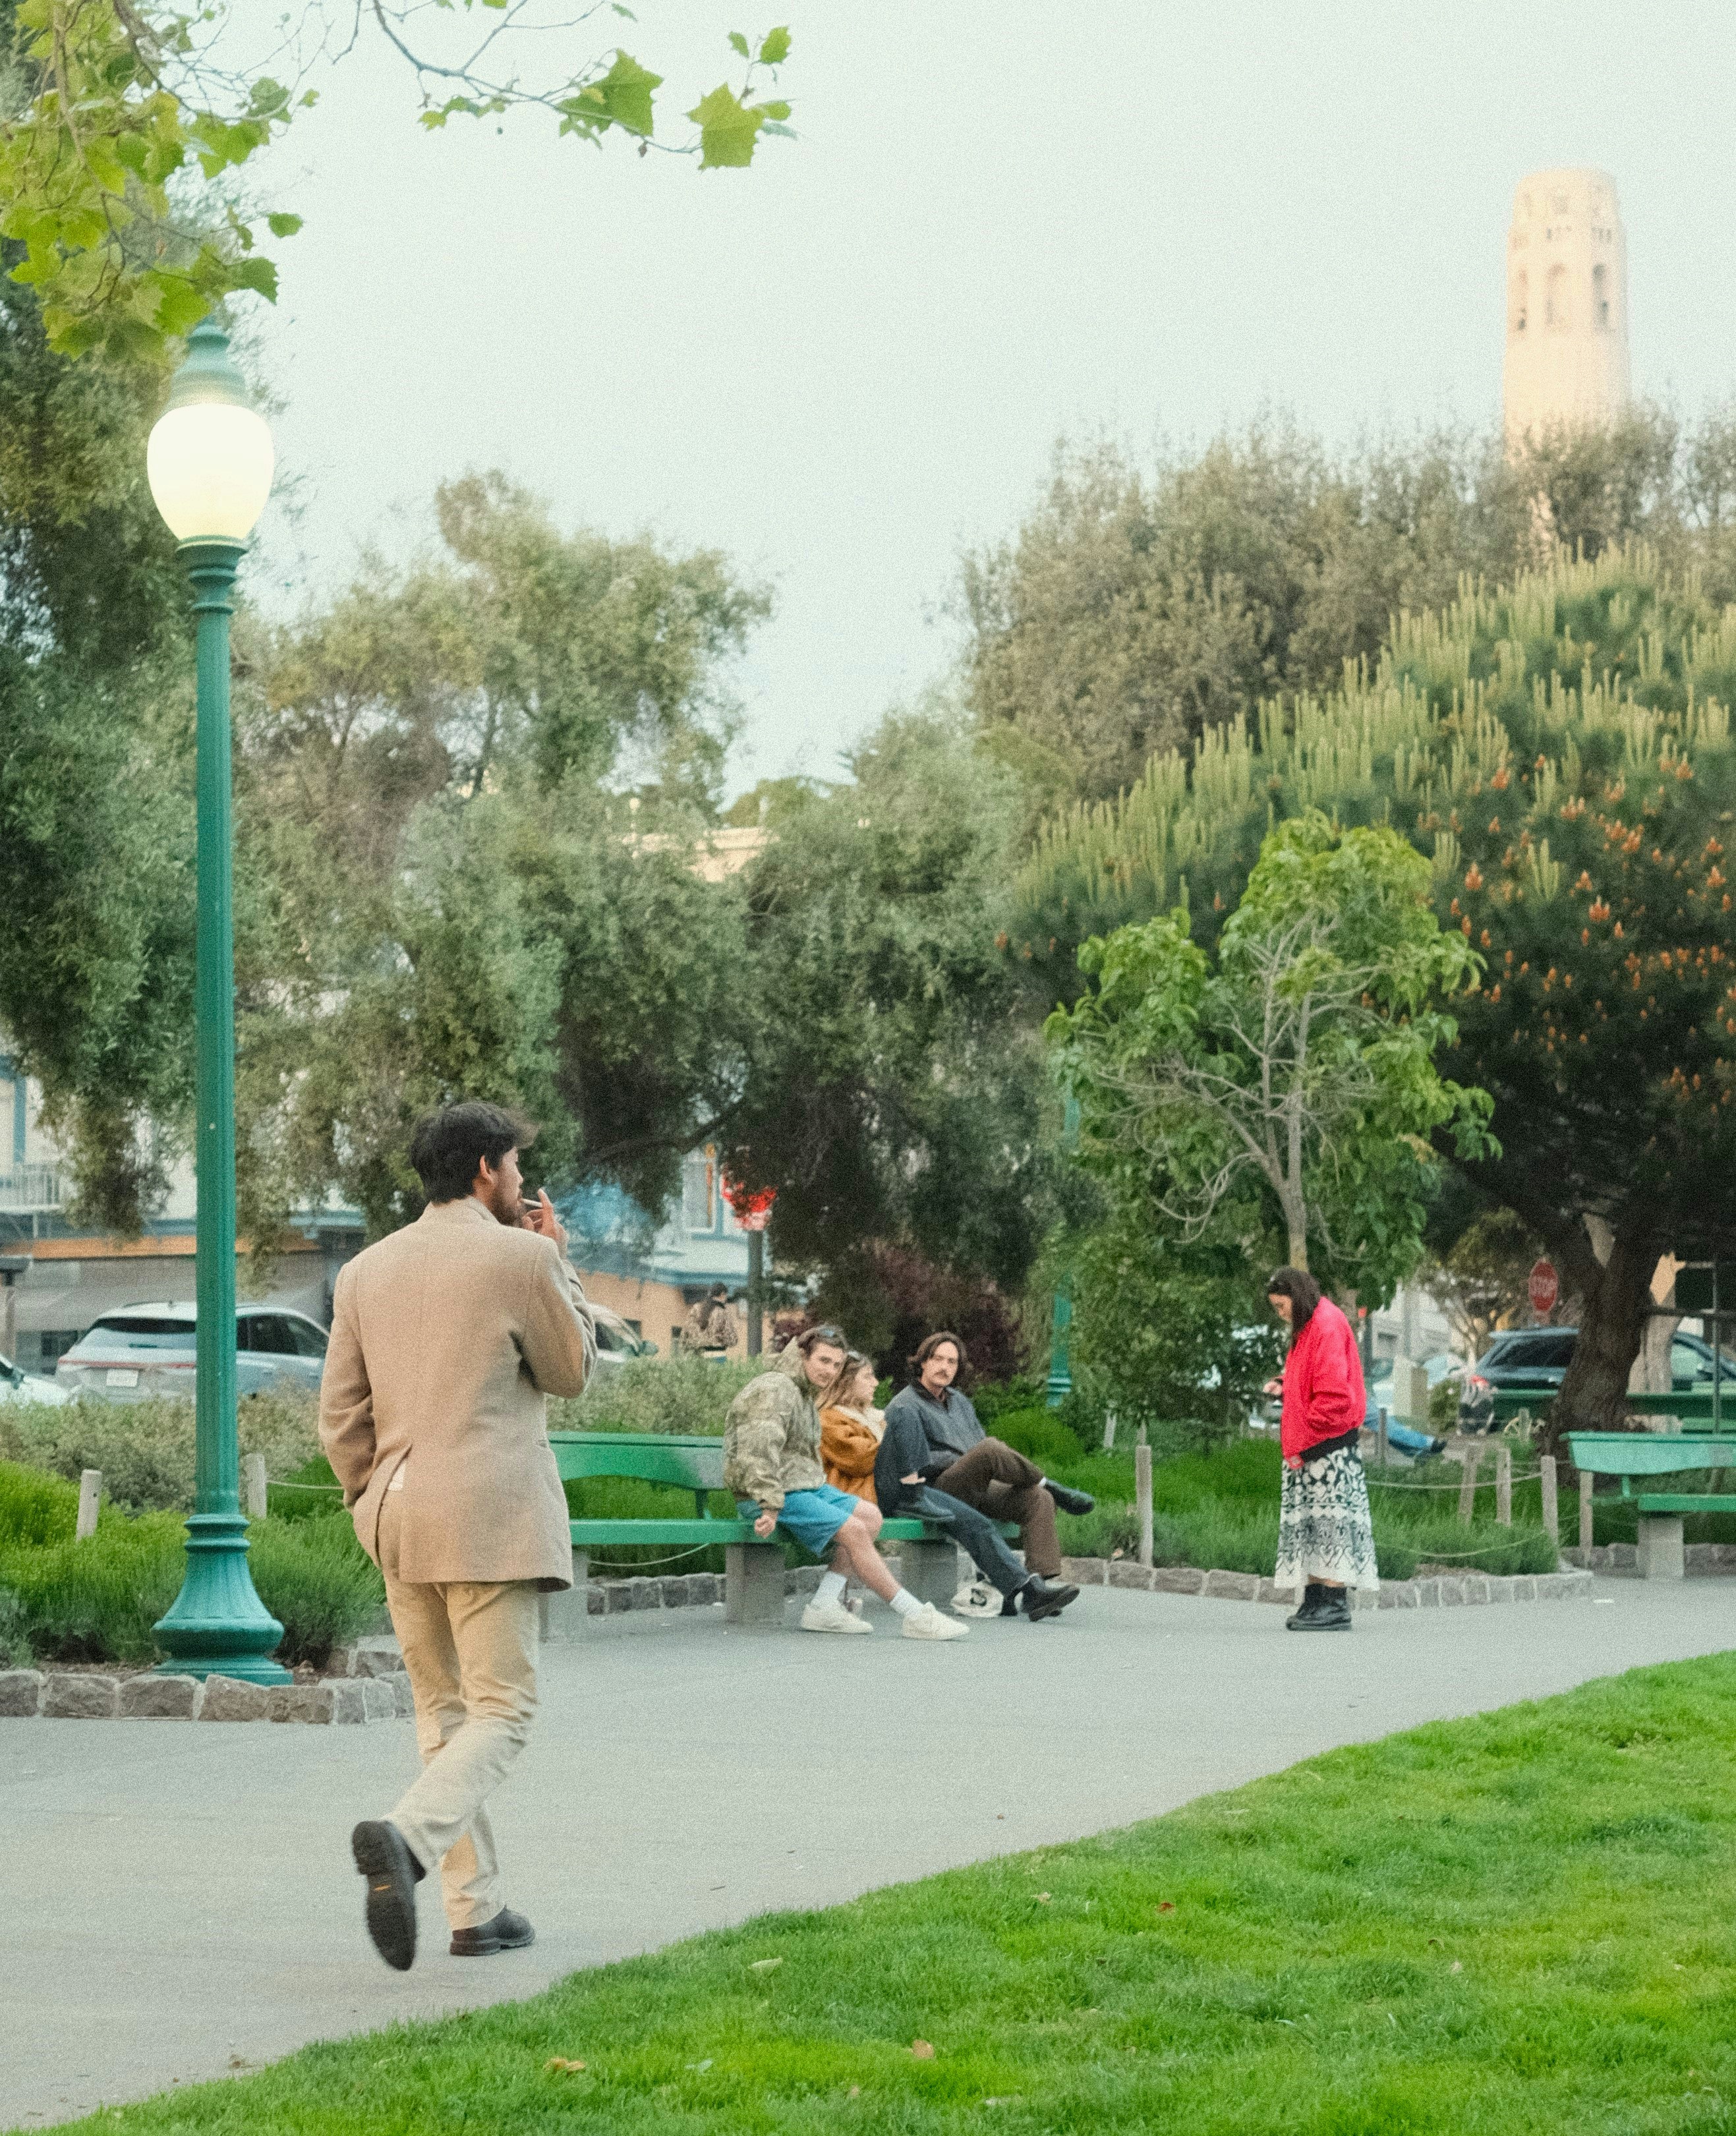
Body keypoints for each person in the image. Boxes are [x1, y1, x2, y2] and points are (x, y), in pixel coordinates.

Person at [319, 1101, 597, 1972]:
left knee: (444, 1717)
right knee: (503, 1712)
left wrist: (370, 1500)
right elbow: (572, 1371)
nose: (520, 1180)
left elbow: (339, 1419)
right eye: (514, 1165)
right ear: (485, 1169)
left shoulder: (365, 1270)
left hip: (400, 1516)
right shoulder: (522, 1257)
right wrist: (562, 1265)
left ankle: (475, 1911)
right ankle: (405, 1841)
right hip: (490, 1517)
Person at [724, 1325, 968, 1641]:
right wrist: (769, 1506)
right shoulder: (775, 1389)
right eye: (824, 1361)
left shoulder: (803, 1391)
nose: (831, 1371)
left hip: (800, 1486)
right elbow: (758, 1451)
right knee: (853, 1530)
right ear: (802, 1356)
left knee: (870, 1517)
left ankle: (824, 1605)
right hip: (767, 1494)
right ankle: (915, 1614)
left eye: (837, 1365)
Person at [881, 1332, 1095, 1615]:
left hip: (978, 1482)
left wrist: (978, 1463)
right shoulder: (904, 1405)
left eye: (952, 1362)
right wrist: (965, 1461)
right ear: (922, 1361)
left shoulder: (959, 1402)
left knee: (1037, 1498)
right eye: (938, 1359)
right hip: (937, 1489)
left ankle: (1038, 1590)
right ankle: (1052, 1484)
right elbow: (911, 1462)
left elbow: (978, 1443)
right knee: (990, 1449)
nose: (945, 1367)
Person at [1267, 1266, 1379, 1630]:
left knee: (1329, 1525)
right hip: (1315, 1444)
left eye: (1282, 1306)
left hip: (1326, 1447)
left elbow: (1334, 1397)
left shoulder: (1325, 1325)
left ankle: (1333, 1604)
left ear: (1295, 1298)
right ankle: (1316, 1600)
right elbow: (1310, 1376)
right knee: (1315, 1525)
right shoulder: (1311, 1325)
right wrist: (1284, 1383)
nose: (1281, 1314)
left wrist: (1306, 1437)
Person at [817, 1351, 885, 1506]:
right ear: (846, 1382)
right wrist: (896, 1449)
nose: (875, 1383)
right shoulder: (828, 1419)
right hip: (854, 1497)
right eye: (867, 1376)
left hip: (879, 1489)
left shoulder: (875, 1418)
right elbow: (861, 1460)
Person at [682, 1284, 739, 1358]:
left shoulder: (696, 1308)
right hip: (717, 1355)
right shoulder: (723, 1313)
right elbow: (732, 1340)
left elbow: (685, 1332)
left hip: (698, 1355)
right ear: (722, 1294)